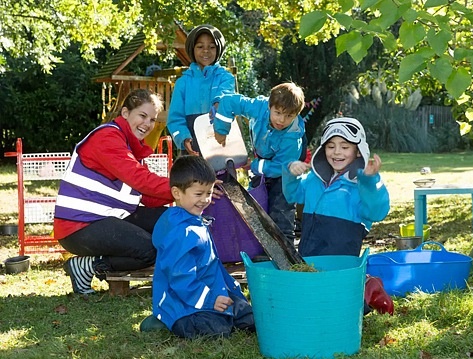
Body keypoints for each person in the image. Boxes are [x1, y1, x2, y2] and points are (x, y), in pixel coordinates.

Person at [53, 89, 175, 295]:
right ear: (125, 113)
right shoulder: (108, 137)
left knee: (172, 219)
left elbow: (147, 196)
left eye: (152, 119)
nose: (147, 124)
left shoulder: (129, 145)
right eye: (142, 116)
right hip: (79, 226)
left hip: (105, 218)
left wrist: (187, 196)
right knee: (148, 250)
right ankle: (88, 265)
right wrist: (184, 188)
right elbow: (140, 180)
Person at [282, 117, 394, 315]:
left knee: (338, 303)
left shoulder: (361, 186)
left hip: (341, 256)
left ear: (358, 150)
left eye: (345, 146)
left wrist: (370, 181)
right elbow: (292, 194)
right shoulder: (313, 180)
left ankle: (369, 289)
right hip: (310, 251)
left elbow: (378, 211)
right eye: (331, 146)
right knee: (311, 298)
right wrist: (291, 174)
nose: (337, 152)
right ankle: (367, 284)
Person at [148, 155, 255, 339]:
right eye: (199, 194)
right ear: (177, 193)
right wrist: (210, 300)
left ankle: (224, 313)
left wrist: (228, 290)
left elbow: (212, 266)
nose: (205, 200)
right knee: (218, 330)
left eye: (209, 192)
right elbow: (181, 278)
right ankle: (162, 319)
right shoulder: (181, 232)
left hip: (211, 289)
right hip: (183, 302)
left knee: (251, 317)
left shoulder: (194, 220)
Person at [212, 82, 306, 244]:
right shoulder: (258, 107)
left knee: (281, 201)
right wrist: (221, 129)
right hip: (263, 155)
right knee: (258, 197)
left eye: (289, 116)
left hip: (287, 164)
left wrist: (255, 166)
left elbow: (281, 167)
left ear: (296, 114)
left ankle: (285, 245)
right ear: (269, 106)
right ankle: (259, 244)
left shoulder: (292, 136)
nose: (282, 120)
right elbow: (228, 101)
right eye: (278, 113)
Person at [167, 24, 235, 155]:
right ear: (192, 50)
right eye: (200, 47)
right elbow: (175, 118)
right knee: (193, 176)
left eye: (211, 47)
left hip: (221, 145)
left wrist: (218, 104)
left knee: (220, 176)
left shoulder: (226, 78)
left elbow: (226, 95)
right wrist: (184, 138)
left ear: (218, 50)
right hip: (192, 150)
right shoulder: (182, 83)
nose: (206, 51)